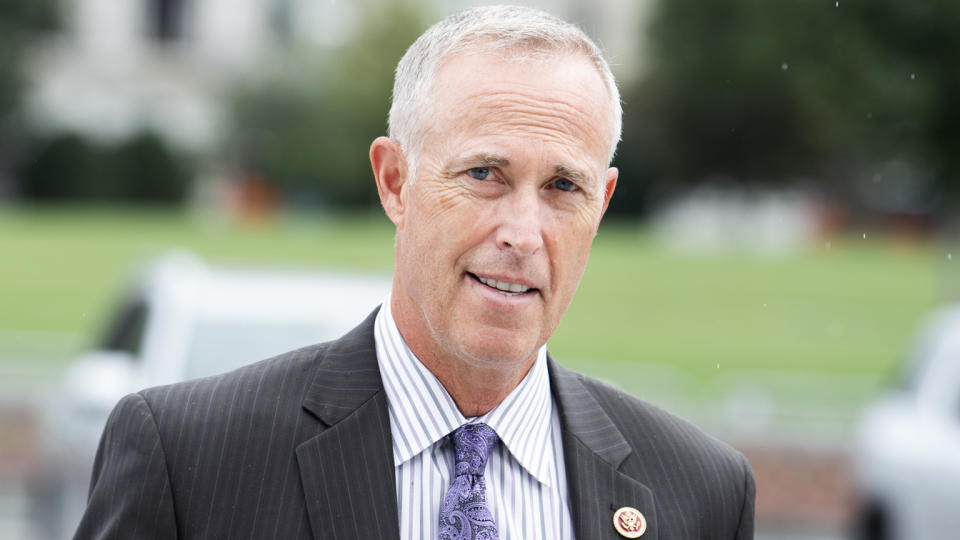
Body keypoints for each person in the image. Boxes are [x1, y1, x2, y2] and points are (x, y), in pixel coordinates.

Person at [76, 5, 754, 540]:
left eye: (562, 188)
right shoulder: (191, 458)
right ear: (395, 181)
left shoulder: (698, 494)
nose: (522, 235)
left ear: (601, 205)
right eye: (485, 175)